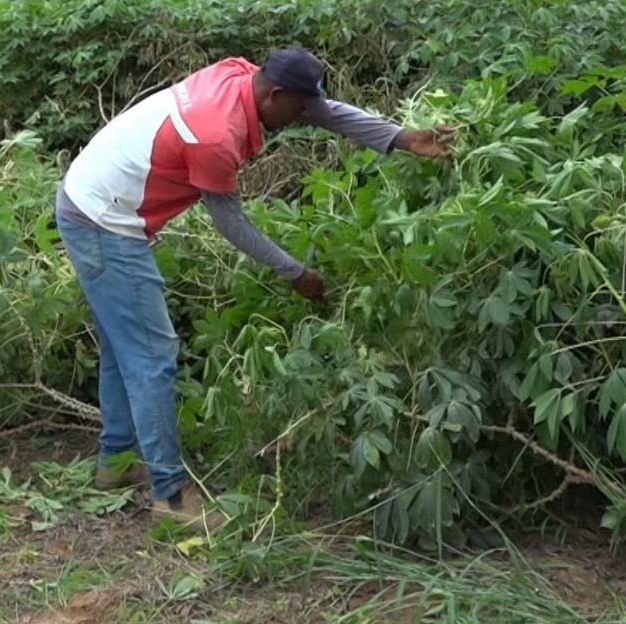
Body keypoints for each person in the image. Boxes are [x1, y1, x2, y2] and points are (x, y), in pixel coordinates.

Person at [54, 48, 455, 532]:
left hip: (92, 200)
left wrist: (401, 138)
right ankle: (171, 498)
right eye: (299, 110)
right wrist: (295, 272)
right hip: (103, 223)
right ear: (277, 94)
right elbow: (232, 225)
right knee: (152, 355)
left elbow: (327, 114)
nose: (304, 119)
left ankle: (114, 465)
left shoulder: (243, 74)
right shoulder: (214, 136)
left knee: (126, 349)